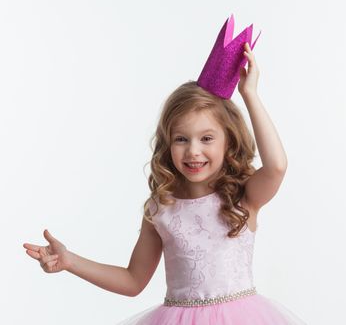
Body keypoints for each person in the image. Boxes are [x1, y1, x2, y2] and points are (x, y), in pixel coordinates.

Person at [23, 16, 308, 324]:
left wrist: (250, 95)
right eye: (181, 139)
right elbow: (133, 281)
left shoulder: (243, 196)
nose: (193, 150)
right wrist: (70, 261)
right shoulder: (161, 208)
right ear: (167, 143)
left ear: (229, 142)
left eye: (207, 138)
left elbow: (277, 166)